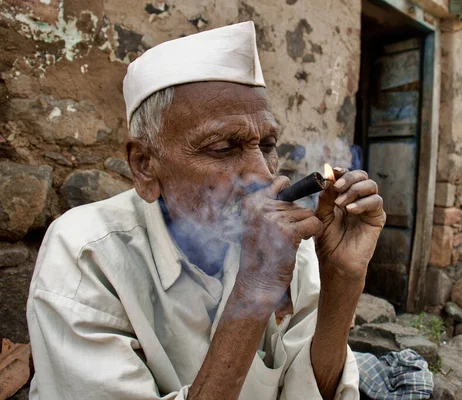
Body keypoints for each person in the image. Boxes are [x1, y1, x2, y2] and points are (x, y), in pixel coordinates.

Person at [26, 21, 385, 399]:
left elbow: (314, 390)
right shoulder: (87, 254)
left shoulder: (285, 245)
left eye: (267, 145)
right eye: (222, 148)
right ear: (145, 165)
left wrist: (344, 279)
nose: (262, 174)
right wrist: (254, 291)